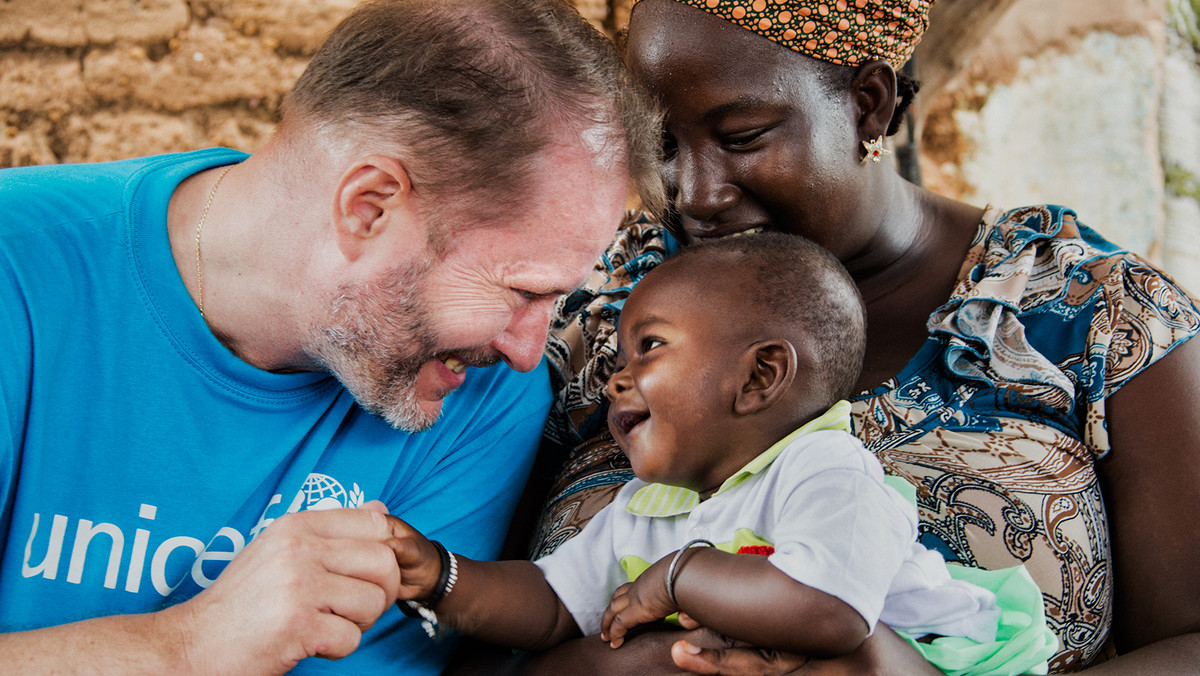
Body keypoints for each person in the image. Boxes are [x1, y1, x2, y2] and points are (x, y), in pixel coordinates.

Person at [495, 0, 1200, 673]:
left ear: (870, 102)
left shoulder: (1092, 317)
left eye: (742, 137)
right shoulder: (586, 309)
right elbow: (442, 626)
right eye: (662, 147)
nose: (695, 194)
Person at [0, 0, 664, 673]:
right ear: (370, 205)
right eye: (522, 292)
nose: (529, 352)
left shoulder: (485, 399)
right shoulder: (19, 271)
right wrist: (185, 647)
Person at [392, 233, 1057, 676]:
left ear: (761, 377)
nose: (616, 380)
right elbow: (553, 602)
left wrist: (678, 577)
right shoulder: (647, 507)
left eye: (649, 349)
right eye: (618, 360)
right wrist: (444, 577)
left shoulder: (825, 472)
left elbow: (831, 611)